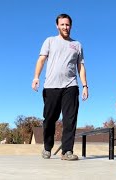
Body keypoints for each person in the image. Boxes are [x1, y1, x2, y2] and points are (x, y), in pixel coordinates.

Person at [31, 13, 89, 161]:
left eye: (67, 24)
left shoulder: (77, 45)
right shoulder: (50, 41)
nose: (65, 27)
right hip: (51, 86)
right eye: (62, 24)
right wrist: (36, 77)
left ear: (71, 26)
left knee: (70, 119)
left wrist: (85, 85)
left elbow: (80, 66)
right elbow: (41, 59)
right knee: (50, 119)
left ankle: (67, 151)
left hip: (71, 85)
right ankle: (47, 147)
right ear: (57, 26)